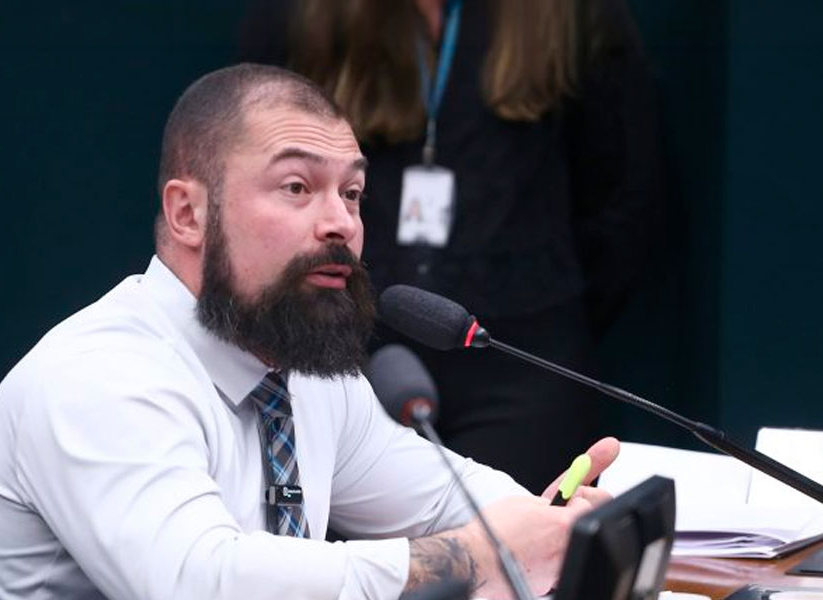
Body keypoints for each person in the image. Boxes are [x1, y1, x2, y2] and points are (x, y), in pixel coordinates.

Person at [0, 63, 619, 600]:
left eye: (351, 193)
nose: (340, 224)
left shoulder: (308, 373)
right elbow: (204, 595)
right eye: (297, 187)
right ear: (188, 212)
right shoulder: (97, 377)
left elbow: (450, 499)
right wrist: (474, 557)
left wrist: (551, 528)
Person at [236, 0, 661, 493]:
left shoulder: (573, 15)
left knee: (515, 542)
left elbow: (625, 195)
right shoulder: (302, 16)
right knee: (369, 560)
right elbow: (251, 167)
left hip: (519, 360)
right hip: (350, 354)